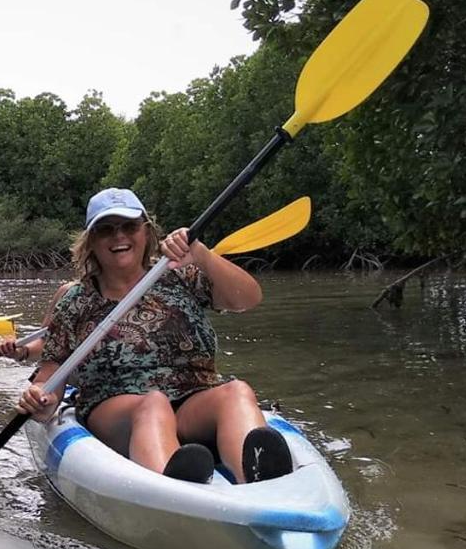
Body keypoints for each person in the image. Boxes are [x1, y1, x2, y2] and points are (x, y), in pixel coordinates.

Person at [17, 188, 292, 485]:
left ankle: (261, 481)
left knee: (236, 391)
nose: (118, 236)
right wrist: (43, 397)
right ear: (91, 242)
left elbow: (247, 299)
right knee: (153, 403)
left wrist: (201, 254)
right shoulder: (74, 301)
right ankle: (174, 488)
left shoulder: (180, 275)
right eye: (106, 230)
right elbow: (52, 368)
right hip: (117, 410)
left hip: (193, 399)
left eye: (129, 226)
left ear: (146, 232)